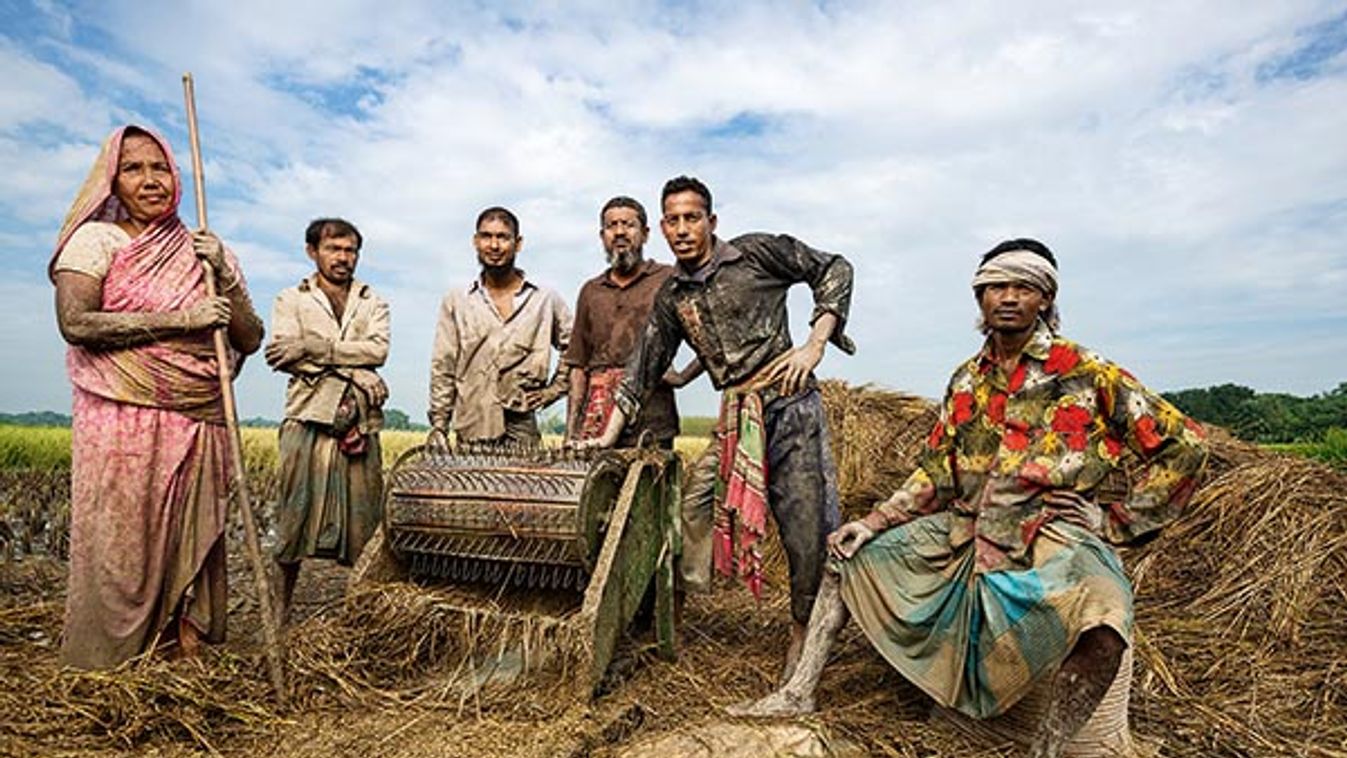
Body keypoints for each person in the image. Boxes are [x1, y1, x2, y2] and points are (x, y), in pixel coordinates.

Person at [729, 239, 1209, 758]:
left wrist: (1114, 520)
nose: (1007, 297)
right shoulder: (966, 380)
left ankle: (1047, 749)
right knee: (845, 556)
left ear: (1045, 299)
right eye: (995, 287)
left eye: (1022, 287)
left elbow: (1184, 444)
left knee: (1107, 618)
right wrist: (873, 522)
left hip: (1051, 530)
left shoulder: (1085, 371)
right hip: (966, 528)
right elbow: (937, 471)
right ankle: (798, 693)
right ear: (980, 298)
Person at [580, 176, 854, 679]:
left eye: (692, 217)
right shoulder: (673, 296)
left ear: (711, 221)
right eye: (673, 220)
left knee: (806, 532)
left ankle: (804, 640)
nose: (683, 229)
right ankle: (679, 615)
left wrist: (815, 343)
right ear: (661, 228)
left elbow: (833, 267)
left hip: (790, 408)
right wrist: (604, 435)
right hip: (736, 419)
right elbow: (643, 368)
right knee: (692, 507)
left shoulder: (756, 255)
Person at [50, 125, 264, 668]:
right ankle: (114, 661)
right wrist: (180, 320)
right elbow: (76, 323)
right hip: (120, 417)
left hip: (198, 418)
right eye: (134, 169)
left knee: (187, 542)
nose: (151, 180)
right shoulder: (94, 242)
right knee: (123, 541)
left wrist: (225, 278)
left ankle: (182, 652)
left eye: (161, 168)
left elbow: (250, 338)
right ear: (111, 181)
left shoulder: (202, 249)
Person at [264, 218, 389, 623]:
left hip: (360, 423)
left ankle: (362, 619)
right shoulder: (291, 299)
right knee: (292, 523)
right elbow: (283, 354)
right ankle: (278, 616)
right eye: (334, 248)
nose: (343, 257)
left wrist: (315, 348)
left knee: (366, 526)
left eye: (350, 250)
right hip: (308, 418)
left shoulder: (372, 301)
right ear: (312, 251)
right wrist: (356, 370)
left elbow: (378, 351)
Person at [427, 207, 571, 447]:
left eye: (503, 237)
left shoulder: (544, 299)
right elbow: (443, 365)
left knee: (527, 483)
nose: (494, 246)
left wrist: (554, 390)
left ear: (518, 244)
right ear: (476, 241)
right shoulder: (457, 300)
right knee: (472, 484)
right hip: (472, 431)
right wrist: (439, 425)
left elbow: (576, 346)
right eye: (486, 236)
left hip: (522, 429)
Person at [563, 196, 699, 448]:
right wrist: (571, 431)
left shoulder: (668, 279)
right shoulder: (591, 291)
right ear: (602, 235)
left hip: (652, 422)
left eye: (628, 224)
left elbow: (710, 338)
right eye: (611, 226)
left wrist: (682, 377)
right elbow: (578, 366)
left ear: (646, 234)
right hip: (596, 420)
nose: (620, 232)